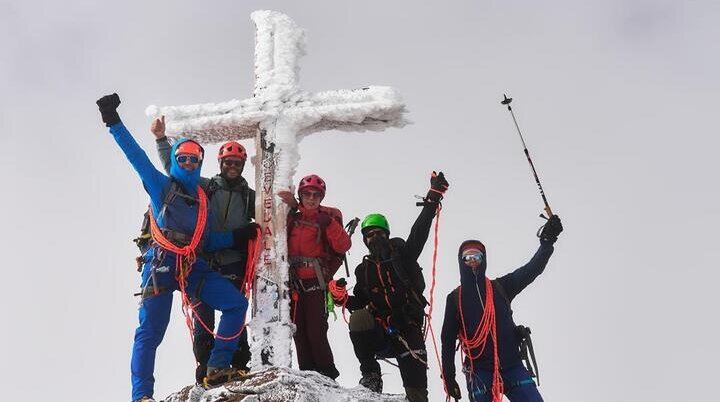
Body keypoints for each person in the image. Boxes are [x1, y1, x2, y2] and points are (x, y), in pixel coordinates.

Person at [96, 94, 254, 402]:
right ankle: (142, 395)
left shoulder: (204, 200)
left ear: (200, 163)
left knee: (236, 305)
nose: (189, 162)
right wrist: (111, 119)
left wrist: (238, 236)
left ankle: (218, 367)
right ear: (176, 161)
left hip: (194, 266)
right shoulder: (162, 187)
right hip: (162, 267)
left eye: (194, 159)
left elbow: (206, 240)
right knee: (151, 331)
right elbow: (136, 155)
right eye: (183, 158)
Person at [151, 116, 256, 385]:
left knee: (234, 311)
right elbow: (173, 169)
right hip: (202, 260)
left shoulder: (251, 196)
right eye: (228, 162)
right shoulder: (205, 187)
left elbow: (273, 214)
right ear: (220, 163)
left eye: (237, 163)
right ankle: (205, 371)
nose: (232, 167)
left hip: (234, 261)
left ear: (243, 166)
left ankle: (237, 365)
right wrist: (162, 141)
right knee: (202, 318)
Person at [331, 171, 449, 402]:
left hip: (408, 329)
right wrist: (341, 298)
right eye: (369, 235)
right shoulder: (363, 271)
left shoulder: (402, 256)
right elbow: (360, 303)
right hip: (382, 333)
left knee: (416, 394)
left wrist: (433, 198)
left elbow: (419, 231)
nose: (373, 238)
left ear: (387, 234)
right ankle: (371, 374)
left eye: (378, 233)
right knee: (358, 319)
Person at [440, 215, 563, 402]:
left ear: (484, 260)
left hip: (512, 366)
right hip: (480, 371)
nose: (473, 261)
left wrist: (546, 243)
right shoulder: (455, 299)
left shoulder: (501, 287)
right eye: (468, 257)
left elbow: (532, 269)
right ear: (461, 261)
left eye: (477, 256)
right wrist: (449, 377)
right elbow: (447, 340)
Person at [277, 174, 351, 379]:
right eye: (307, 194)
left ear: (321, 198)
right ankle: (308, 374)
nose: (311, 198)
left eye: (316, 195)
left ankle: (327, 374)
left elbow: (343, 245)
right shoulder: (294, 218)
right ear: (301, 195)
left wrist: (329, 224)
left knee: (316, 331)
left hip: (316, 282)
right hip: (294, 283)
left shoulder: (325, 220)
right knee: (299, 332)